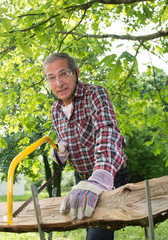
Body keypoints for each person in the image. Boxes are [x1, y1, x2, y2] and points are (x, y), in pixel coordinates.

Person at [43, 52, 129, 240]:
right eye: (51, 78)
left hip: (109, 175)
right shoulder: (55, 110)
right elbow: (64, 139)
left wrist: (101, 176)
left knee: (97, 235)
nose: (59, 83)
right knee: (90, 226)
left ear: (76, 73)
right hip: (81, 178)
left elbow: (107, 132)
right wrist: (61, 152)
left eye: (64, 74)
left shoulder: (95, 94)